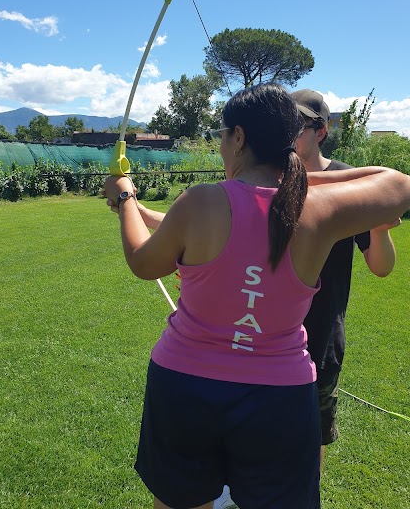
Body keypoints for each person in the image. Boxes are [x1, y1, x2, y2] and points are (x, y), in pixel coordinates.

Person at [103, 83, 410, 509]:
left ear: (240, 137)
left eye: (223, 137)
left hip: (186, 387)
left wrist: (125, 196)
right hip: (280, 397)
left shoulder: (201, 202)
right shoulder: (318, 209)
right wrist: (297, 179)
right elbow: (396, 183)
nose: (222, 148)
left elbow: (142, 261)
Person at [290, 89, 399, 471]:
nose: (288, 133)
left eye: (297, 125)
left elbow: (381, 266)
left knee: (313, 430)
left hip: (321, 333)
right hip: (267, 328)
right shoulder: (272, 177)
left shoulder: (346, 181)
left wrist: (381, 229)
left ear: (320, 132)